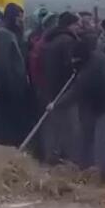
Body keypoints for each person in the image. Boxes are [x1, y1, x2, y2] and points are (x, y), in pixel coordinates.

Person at [48, 38, 105, 187]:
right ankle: (87, 171)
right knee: (88, 138)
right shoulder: (99, 57)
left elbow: (75, 93)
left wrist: (55, 105)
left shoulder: (87, 74)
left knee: (102, 143)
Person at [40, 12, 81, 165]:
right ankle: (70, 161)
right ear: (70, 25)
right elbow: (71, 66)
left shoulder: (50, 40)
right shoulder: (68, 41)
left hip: (50, 89)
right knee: (71, 128)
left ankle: (51, 156)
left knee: (53, 127)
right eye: (77, 24)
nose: (79, 27)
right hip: (65, 89)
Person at [0, 4, 31, 147]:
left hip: (16, 86)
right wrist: (8, 87)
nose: (22, 20)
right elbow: (2, 64)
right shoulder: (3, 34)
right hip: (10, 89)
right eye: (20, 16)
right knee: (9, 122)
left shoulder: (12, 34)